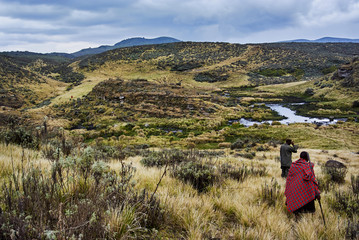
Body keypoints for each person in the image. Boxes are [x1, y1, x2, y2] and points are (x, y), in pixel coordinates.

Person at [285, 151, 321, 215]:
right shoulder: (308, 166)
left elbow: (289, 181)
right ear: (307, 158)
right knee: (309, 211)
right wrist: (317, 193)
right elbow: (313, 180)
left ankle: (297, 219)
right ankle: (307, 220)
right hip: (307, 192)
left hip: (295, 192)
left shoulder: (293, 166)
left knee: (297, 212)